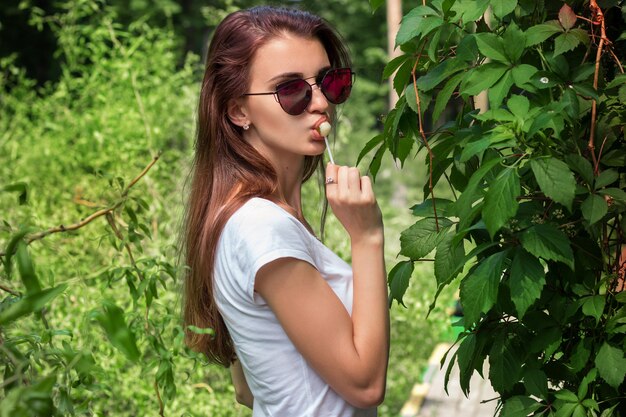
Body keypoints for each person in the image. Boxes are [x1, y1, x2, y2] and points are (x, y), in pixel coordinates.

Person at [182, 6, 389, 416]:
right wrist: (367, 238)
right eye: (290, 90)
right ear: (238, 110)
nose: (320, 103)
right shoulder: (262, 226)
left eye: (330, 82)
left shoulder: (243, 217)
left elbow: (246, 388)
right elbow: (365, 385)